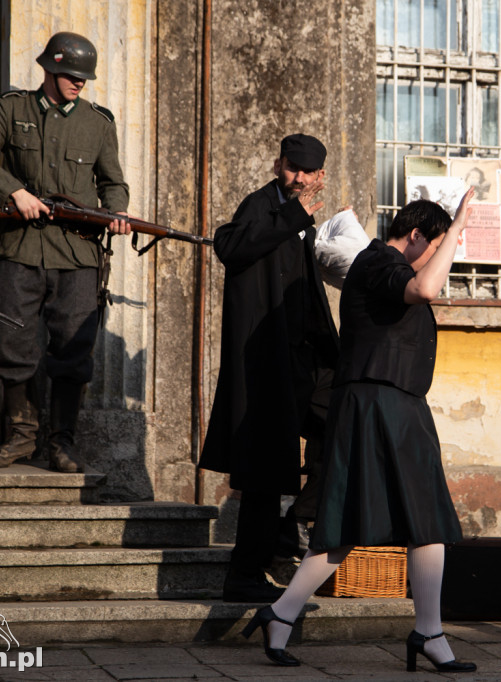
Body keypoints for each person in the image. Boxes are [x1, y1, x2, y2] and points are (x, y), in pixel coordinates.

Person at [240, 191, 478, 673]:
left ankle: (283, 614)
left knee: (402, 519)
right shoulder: (378, 263)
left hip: (391, 403)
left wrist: (448, 238)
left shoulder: (384, 265)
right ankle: (423, 631)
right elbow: (427, 290)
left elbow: (427, 284)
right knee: (380, 519)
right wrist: (454, 230)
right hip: (379, 402)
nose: (436, 259)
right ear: (415, 236)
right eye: (433, 247)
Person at [0, 31, 131, 474]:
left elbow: (113, 181)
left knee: (73, 351)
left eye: (84, 78)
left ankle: (62, 442)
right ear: (49, 71)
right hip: (17, 249)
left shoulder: (97, 122)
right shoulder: (11, 109)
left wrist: (116, 212)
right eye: (71, 75)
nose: (79, 83)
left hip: (76, 255)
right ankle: (21, 435)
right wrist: (13, 190)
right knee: (8, 344)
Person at [199, 134, 339, 603]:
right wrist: (293, 216)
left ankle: (292, 527)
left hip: (308, 358)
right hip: (268, 365)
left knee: (348, 427)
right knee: (262, 471)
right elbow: (232, 246)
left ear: (321, 175)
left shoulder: (302, 216)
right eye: (291, 168)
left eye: (307, 172)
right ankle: (246, 572)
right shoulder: (262, 204)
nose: (298, 179)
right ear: (278, 165)